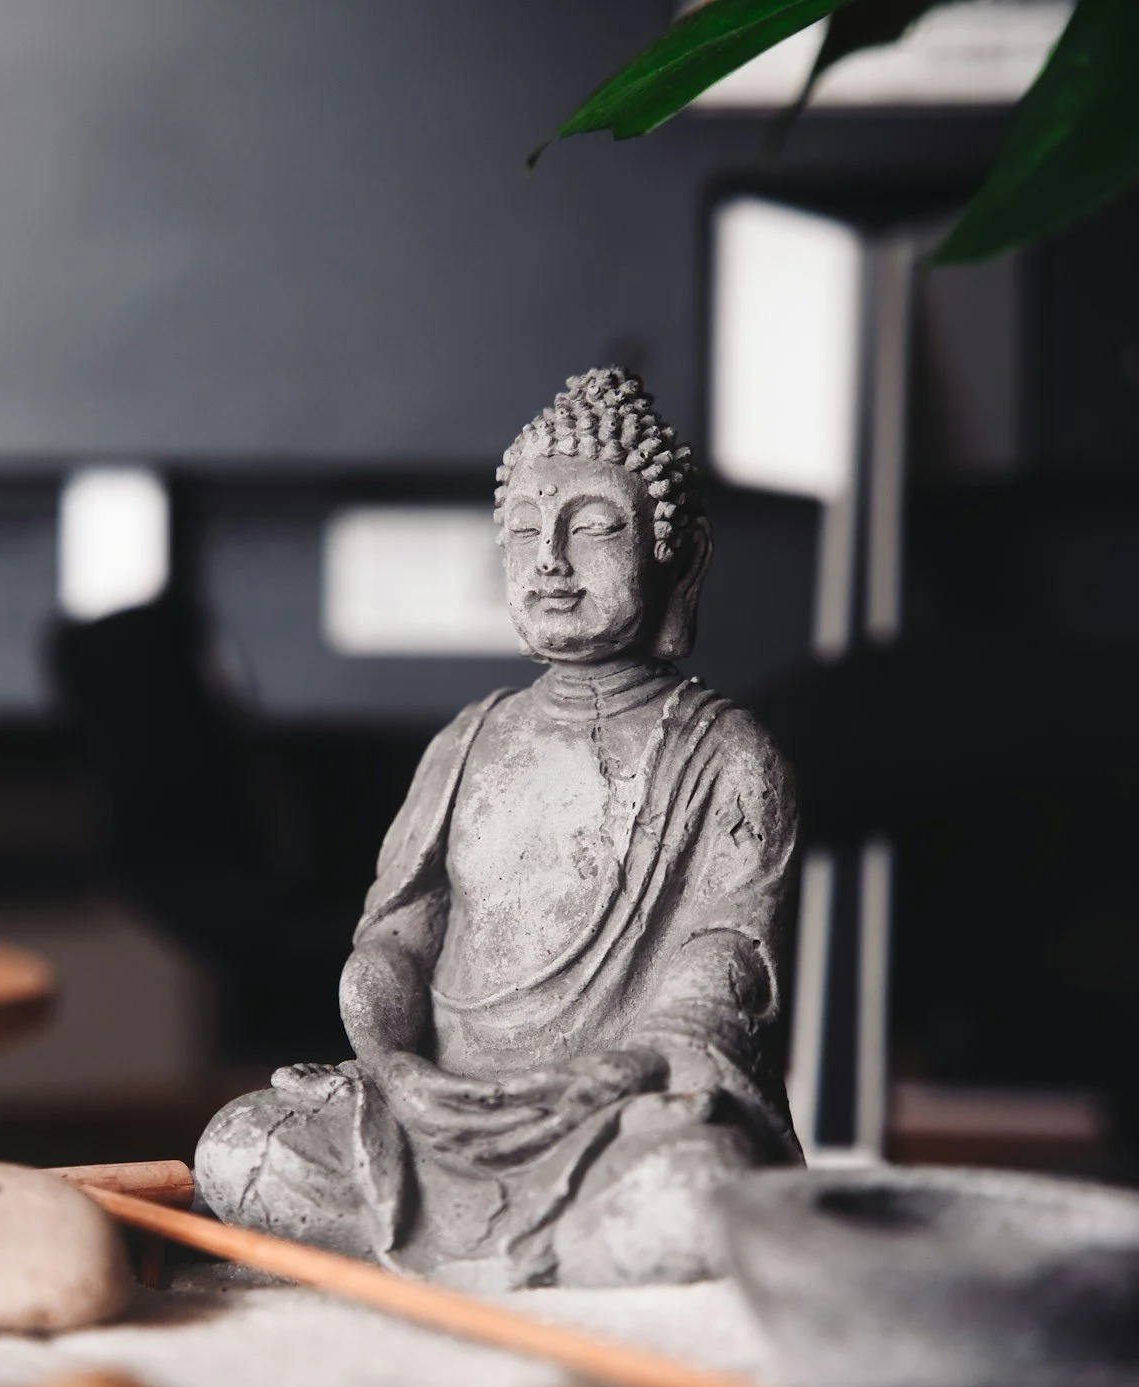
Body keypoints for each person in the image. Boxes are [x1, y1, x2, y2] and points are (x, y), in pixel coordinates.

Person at [195, 368, 800, 1290]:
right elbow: (399, 933)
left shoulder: (725, 752)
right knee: (241, 1149)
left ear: (683, 558)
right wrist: (392, 1059)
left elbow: (729, 956)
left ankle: (550, 1249)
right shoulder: (468, 740)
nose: (551, 559)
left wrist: (626, 1066)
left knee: (690, 1190)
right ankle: (563, 1264)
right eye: (524, 530)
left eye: (593, 526)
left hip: (612, 1112)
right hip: (435, 1114)